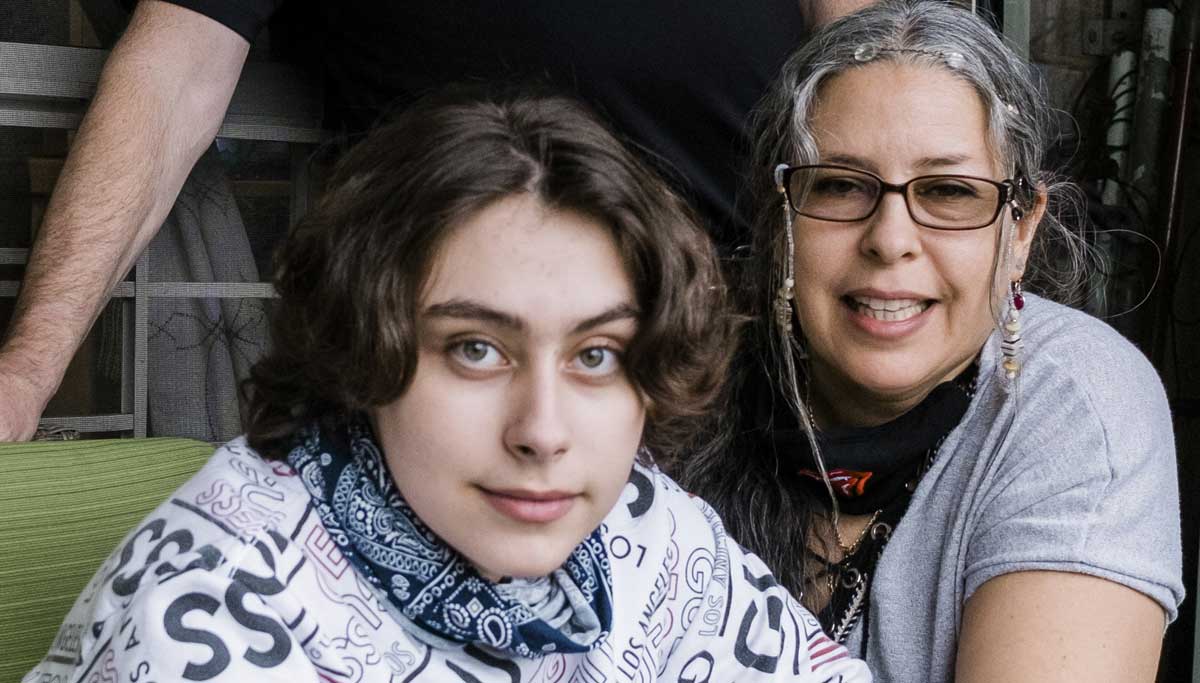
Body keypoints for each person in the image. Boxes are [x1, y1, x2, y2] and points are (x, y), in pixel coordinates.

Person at [24, 88, 872, 683]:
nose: (543, 430)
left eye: (597, 355)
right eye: (476, 349)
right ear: (364, 350)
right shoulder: (213, 605)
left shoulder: (642, 523)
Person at [0, 0, 878, 442]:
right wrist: (29, 369)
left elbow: (875, 53)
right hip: (449, 356)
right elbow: (170, 74)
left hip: (748, 345)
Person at [671, 2, 1185, 681]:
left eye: (947, 192)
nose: (890, 239)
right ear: (780, 215)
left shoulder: (1080, 400)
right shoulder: (680, 378)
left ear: (1021, 229)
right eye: (842, 186)